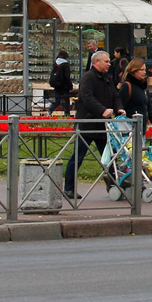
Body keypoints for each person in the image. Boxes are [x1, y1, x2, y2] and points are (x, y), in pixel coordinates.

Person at [64, 50, 119, 200]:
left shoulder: (106, 78)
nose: (109, 63)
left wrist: (119, 108)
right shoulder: (88, 78)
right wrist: (102, 110)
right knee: (78, 157)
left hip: (102, 125)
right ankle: (69, 188)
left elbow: (114, 94)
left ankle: (116, 185)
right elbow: (87, 98)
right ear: (96, 62)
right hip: (87, 124)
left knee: (109, 157)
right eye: (106, 61)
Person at [115, 57, 152, 134]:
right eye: (141, 70)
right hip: (129, 131)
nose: (144, 72)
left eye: (144, 70)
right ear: (133, 71)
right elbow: (119, 107)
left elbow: (149, 108)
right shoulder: (127, 86)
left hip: (141, 130)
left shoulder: (143, 87)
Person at [49, 50, 74, 116]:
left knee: (57, 99)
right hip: (64, 86)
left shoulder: (56, 63)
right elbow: (67, 76)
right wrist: (70, 85)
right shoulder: (65, 65)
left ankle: (51, 109)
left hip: (57, 85)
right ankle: (67, 113)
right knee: (66, 100)